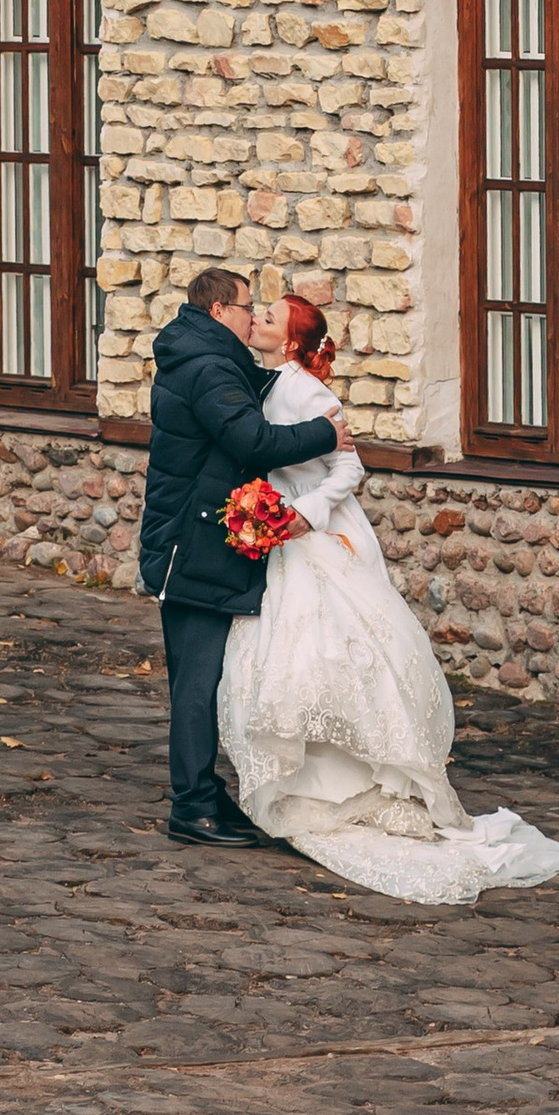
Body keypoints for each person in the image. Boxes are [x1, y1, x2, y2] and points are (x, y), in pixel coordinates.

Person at [217, 293, 559, 900]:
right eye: (255, 311)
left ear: (290, 343)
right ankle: (306, 785)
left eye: (268, 318)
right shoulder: (260, 381)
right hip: (282, 536)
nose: (255, 318)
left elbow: (349, 469)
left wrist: (304, 513)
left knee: (337, 650)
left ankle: (361, 782)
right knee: (285, 655)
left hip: (320, 533)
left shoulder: (310, 393)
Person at [140, 263, 350, 847]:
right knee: (197, 679)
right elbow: (249, 440)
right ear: (218, 312)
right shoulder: (209, 367)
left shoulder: (207, 360)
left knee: (207, 677)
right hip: (191, 544)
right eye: (244, 307)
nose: (251, 315)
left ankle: (207, 795)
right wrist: (326, 435)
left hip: (194, 539)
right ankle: (190, 807)